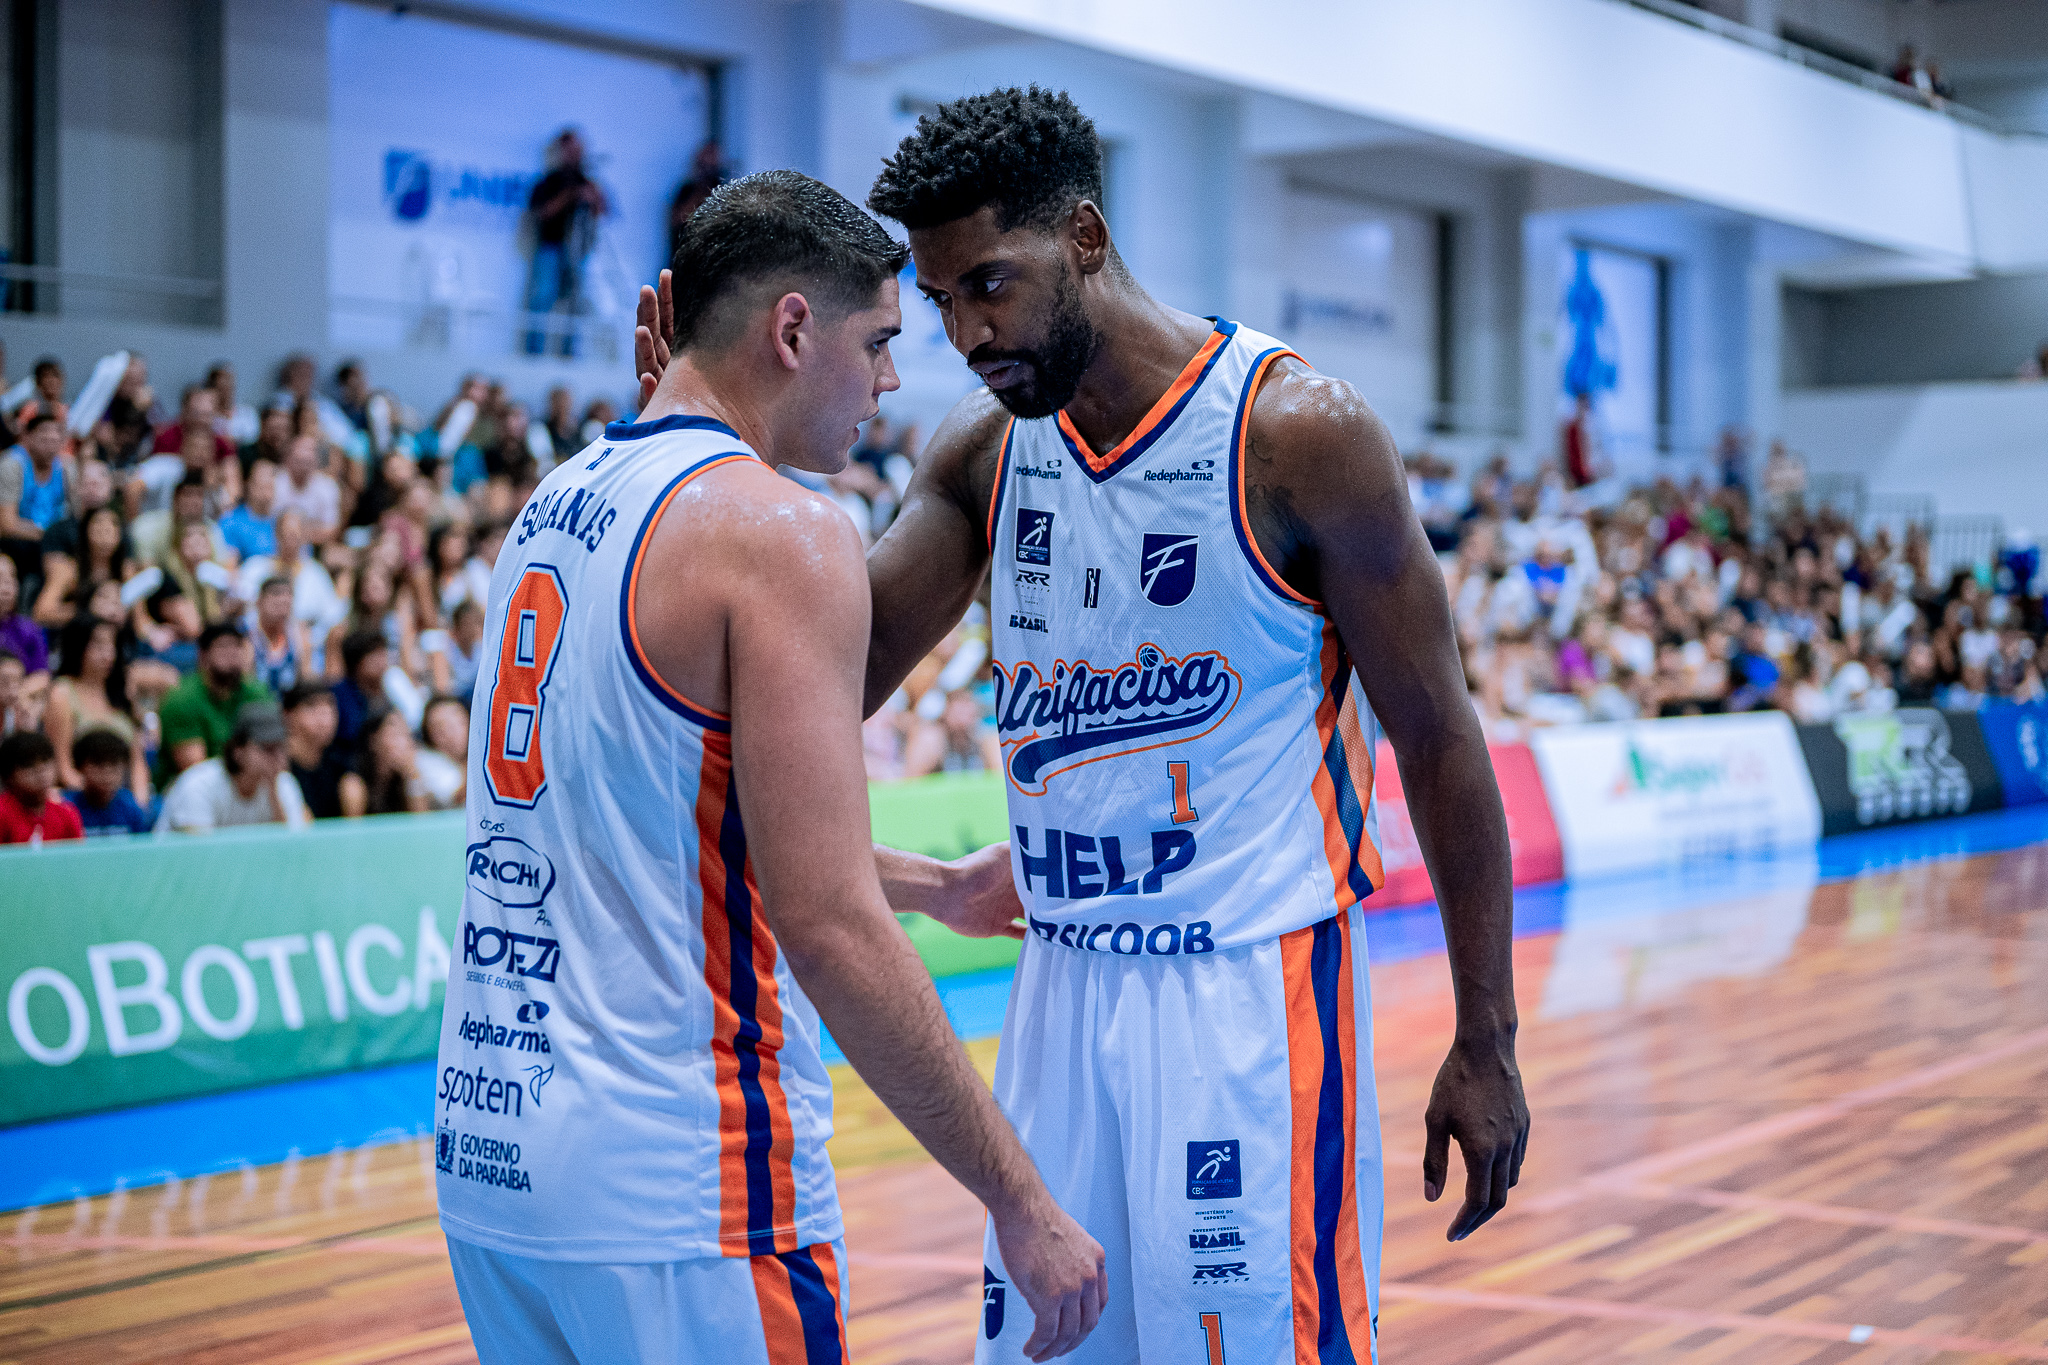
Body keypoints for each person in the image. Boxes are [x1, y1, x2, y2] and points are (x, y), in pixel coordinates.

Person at [649, 87, 1527, 1361]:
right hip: (1057, 989)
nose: (962, 332)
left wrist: (1484, 1034)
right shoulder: (987, 455)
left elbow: (1441, 741)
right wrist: (685, 458)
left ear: (1086, 237)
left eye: (988, 285)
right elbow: (809, 683)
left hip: (1246, 988)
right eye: (940, 299)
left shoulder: (1298, 438)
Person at [442, 170, 1104, 1364]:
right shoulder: (780, 531)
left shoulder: (556, 500)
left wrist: (935, 888)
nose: (894, 381)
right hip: (683, 1191)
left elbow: (656, 825)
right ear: (792, 330)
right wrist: (1017, 1195)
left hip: (498, 1175)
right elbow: (827, 927)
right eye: (879, 342)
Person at [522, 128, 609, 357]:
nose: (574, 155)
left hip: (579, 252)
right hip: (550, 248)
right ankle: (533, 354)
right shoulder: (547, 182)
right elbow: (542, 213)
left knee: (575, 304)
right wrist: (569, 195)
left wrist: (592, 195)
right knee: (542, 299)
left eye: (578, 150)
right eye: (569, 150)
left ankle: (569, 355)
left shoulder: (588, 182)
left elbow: (602, 212)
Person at [154, 622, 272, 786]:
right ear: (203, 655)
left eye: (237, 646)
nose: (231, 653)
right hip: (188, 791)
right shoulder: (182, 698)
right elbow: (195, 771)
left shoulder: (257, 694)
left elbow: (272, 750)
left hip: (247, 785)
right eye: (223, 646)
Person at [157, 704, 307, 832]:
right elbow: (198, 855)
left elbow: (292, 849)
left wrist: (273, 793)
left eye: (282, 748)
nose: (277, 758)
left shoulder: (284, 784)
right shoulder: (199, 785)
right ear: (238, 751)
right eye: (268, 748)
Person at [45, 614, 148, 800]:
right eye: (98, 645)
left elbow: (137, 764)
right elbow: (62, 769)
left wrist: (139, 802)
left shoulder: (122, 693)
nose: (108, 654)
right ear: (78, 645)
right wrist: (101, 798)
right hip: (80, 798)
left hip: (122, 799)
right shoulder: (62, 694)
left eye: (112, 645)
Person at [281, 681, 350, 819]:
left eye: (330, 705)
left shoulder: (340, 764)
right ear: (288, 715)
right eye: (312, 706)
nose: (325, 716)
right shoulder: (280, 767)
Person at [0, 730, 83, 844]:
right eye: (29, 765)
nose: (41, 772)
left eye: (45, 762)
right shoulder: (2, 814)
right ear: (8, 775)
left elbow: (77, 858)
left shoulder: (67, 813)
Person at [67, 728, 152, 836]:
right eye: (98, 765)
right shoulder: (68, 808)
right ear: (79, 767)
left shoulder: (130, 808)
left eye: (114, 765)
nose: (107, 773)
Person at [247, 575, 310, 695]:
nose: (283, 599)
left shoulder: (300, 635)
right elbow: (245, 682)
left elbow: (306, 680)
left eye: (288, 595)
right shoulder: (247, 635)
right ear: (259, 601)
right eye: (276, 593)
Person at [274, 434, 342, 544]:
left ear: (316, 462)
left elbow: (331, 529)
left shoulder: (328, 487)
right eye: (299, 461)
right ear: (288, 460)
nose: (303, 468)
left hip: (314, 546)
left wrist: (295, 536)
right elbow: (266, 522)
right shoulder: (275, 482)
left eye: (307, 462)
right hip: (276, 544)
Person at [220, 458, 280, 562]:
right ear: (249, 486)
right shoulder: (231, 522)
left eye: (270, 487)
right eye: (261, 487)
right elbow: (229, 564)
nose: (266, 495)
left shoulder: (281, 523)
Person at [414, 692, 467, 809]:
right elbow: (458, 796)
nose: (450, 733)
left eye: (457, 723)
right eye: (440, 727)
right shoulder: (424, 761)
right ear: (429, 735)